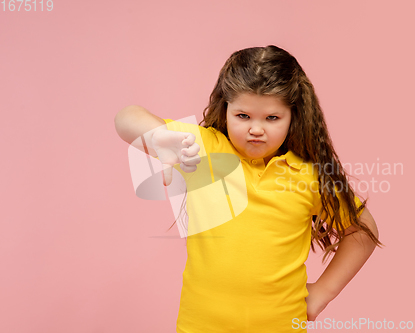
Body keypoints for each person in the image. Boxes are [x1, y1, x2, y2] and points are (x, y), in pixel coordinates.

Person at [115, 45, 382, 332]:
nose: (256, 129)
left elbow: (363, 229)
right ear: (226, 108)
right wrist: (159, 138)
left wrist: (322, 294)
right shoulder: (201, 150)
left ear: (294, 116)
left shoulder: (310, 176)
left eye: (272, 118)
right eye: (243, 116)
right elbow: (127, 117)